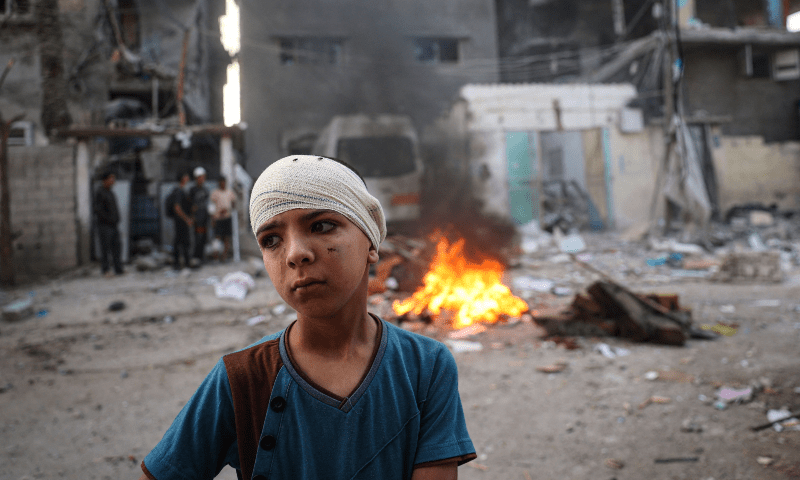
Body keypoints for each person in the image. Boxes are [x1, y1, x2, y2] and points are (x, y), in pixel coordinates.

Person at [139, 155, 476, 480]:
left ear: (371, 239)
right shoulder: (243, 378)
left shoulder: (425, 367)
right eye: (272, 240)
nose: (296, 253)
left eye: (322, 225)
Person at [94, 171, 123, 276]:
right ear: (105, 180)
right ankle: (105, 270)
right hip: (105, 226)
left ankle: (118, 269)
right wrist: (109, 219)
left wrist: (116, 219)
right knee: (105, 248)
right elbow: (98, 210)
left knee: (117, 247)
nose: (113, 181)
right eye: (111, 179)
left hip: (113, 225)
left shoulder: (111, 192)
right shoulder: (100, 193)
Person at [210, 176, 236, 262]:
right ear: (219, 183)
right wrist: (213, 218)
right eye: (221, 182)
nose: (222, 184)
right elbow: (211, 207)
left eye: (224, 182)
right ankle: (216, 256)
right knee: (217, 237)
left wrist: (228, 209)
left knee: (226, 237)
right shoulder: (215, 193)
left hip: (227, 218)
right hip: (218, 218)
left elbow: (233, 203)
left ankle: (224, 257)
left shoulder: (230, 192)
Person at [170, 172, 193, 270]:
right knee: (180, 242)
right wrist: (186, 218)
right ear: (183, 178)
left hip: (181, 221)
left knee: (182, 242)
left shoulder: (182, 190)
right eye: (186, 175)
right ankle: (178, 263)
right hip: (180, 221)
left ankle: (183, 263)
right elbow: (177, 208)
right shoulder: (179, 191)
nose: (188, 177)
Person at [189, 166, 210, 266]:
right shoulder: (193, 190)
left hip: (204, 217)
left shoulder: (205, 190)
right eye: (201, 177)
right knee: (197, 237)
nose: (202, 179)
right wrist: (192, 216)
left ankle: (202, 256)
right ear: (197, 178)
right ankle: (196, 257)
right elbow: (190, 205)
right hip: (197, 218)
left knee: (204, 238)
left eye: (203, 177)